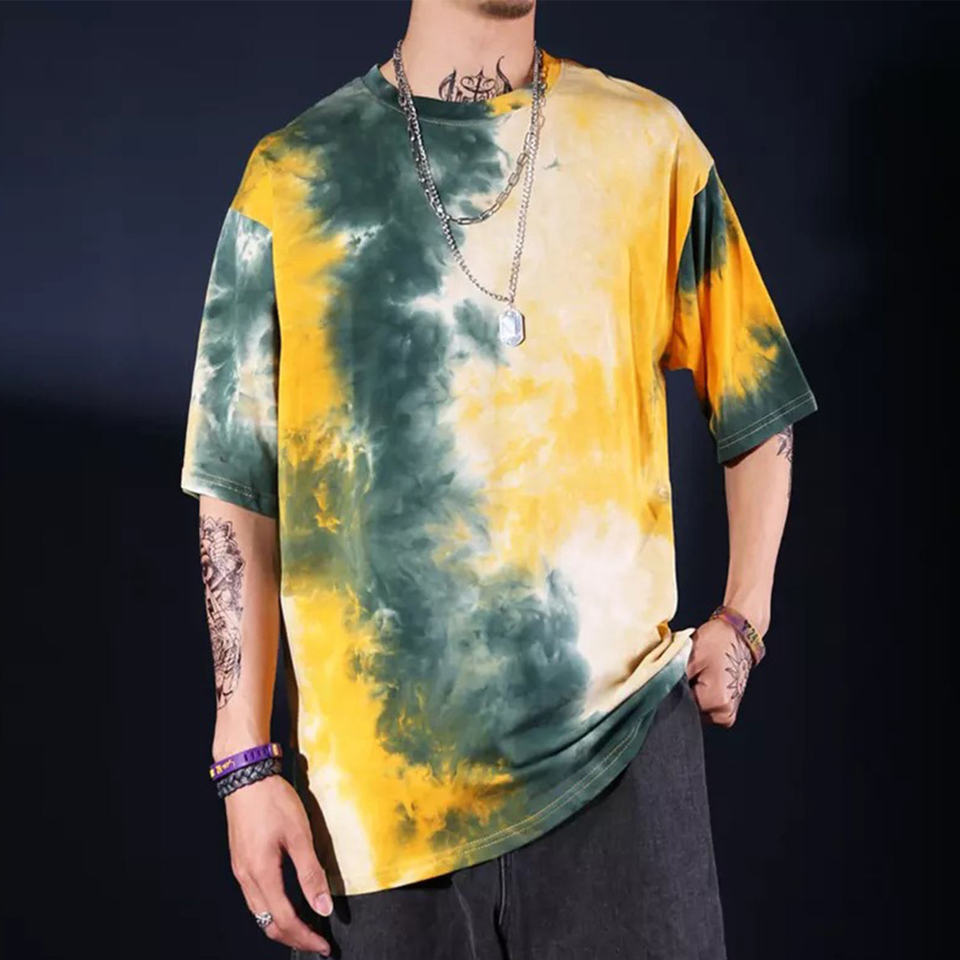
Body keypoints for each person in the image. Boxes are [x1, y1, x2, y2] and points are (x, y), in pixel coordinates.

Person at [180, 1, 818, 957]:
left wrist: (746, 617)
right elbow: (237, 486)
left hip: (621, 763)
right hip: (381, 811)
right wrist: (243, 758)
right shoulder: (294, 177)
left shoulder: (647, 144)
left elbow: (757, 397)